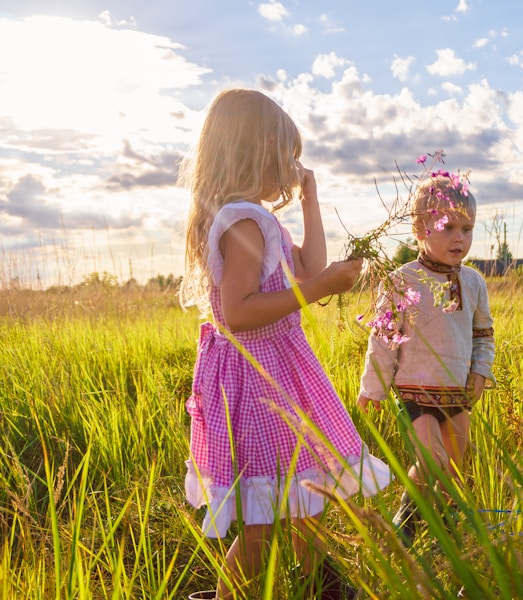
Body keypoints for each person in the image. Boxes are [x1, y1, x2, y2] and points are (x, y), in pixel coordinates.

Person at [179, 88, 391, 600]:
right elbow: (237, 313)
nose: (294, 166)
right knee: (262, 526)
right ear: (257, 152)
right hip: (257, 380)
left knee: (305, 503)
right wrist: (318, 291)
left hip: (276, 371)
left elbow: (310, 267)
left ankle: (329, 589)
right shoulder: (243, 220)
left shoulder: (259, 217)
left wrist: (311, 201)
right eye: (287, 154)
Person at [356, 171, 495, 545]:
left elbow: (483, 334)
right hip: (414, 390)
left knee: (452, 467)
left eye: (467, 229)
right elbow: (383, 338)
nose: (459, 238)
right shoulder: (402, 280)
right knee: (431, 458)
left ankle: (441, 532)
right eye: (448, 226)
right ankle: (409, 523)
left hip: (458, 393)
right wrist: (373, 388)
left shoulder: (474, 282)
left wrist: (480, 373)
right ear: (420, 228)